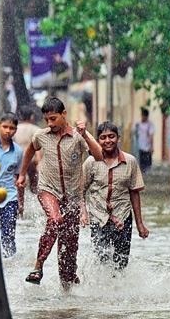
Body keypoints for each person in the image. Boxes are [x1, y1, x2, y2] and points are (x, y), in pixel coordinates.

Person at [16, 96, 104, 286]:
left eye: (53, 118)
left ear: (64, 114)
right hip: (48, 189)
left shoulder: (78, 137)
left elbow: (98, 156)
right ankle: (38, 265)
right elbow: (30, 150)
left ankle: (67, 290)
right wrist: (22, 174)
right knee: (55, 220)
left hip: (72, 196)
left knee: (69, 245)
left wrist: (86, 134)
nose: (50, 123)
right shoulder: (41, 136)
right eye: (47, 119)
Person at [83, 122, 149, 270]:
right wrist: (84, 212)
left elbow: (134, 192)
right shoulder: (91, 162)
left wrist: (140, 224)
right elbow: (81, 190)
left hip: (123, 216)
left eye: (111, 136)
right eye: (103, 137)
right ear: (98, 140)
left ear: (118, 138)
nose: (107, 141)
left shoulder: (130, 161)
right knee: (102, 259)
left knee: (121, 263)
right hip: (98, 217)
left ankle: (118, 289)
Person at [0, 112, 24, 258]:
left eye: (11, 128)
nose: (8, 131)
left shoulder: (18, 152)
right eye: (5, 127)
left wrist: (21, 203)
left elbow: (19, 178)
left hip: (10, 197)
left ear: (16, 130)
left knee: (8, 234)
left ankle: (11, 263)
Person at [133, 107, 155, 173]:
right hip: (139, 147)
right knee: (141, 164)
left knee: (147, 165)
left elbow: (151, 136)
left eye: (144, 116)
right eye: (142, 115)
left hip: (147, 148)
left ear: (146, 116)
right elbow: (133, 133)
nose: (143, 117)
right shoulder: (138, 124)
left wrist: (151, 147)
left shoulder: (149, 125)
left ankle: (147, 177)